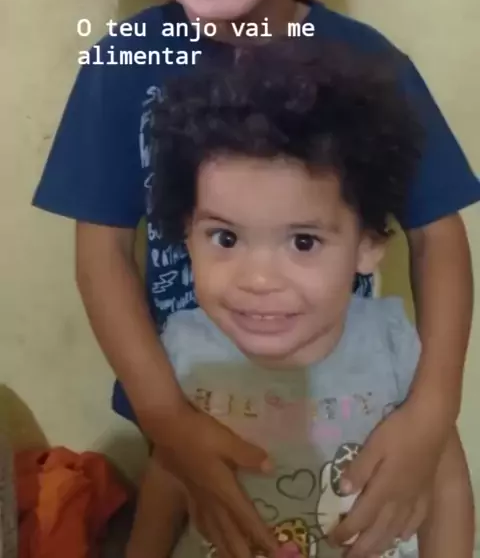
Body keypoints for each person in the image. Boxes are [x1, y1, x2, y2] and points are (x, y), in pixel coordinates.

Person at [32, 0, 479, 558]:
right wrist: (167, 420)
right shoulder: (124, 63)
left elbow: (439, 239)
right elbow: (101, 256)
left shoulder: (370, 67)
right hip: (194, 410)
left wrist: (431, 412)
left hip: (343, 409)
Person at [136, 40, 474, 558]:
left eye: (303, 243)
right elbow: (170, 473)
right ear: (187, 233)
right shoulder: (183, 349)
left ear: (368, 245)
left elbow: (445, 481)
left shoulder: (391, 346)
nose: (258, 279)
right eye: (225, 238)